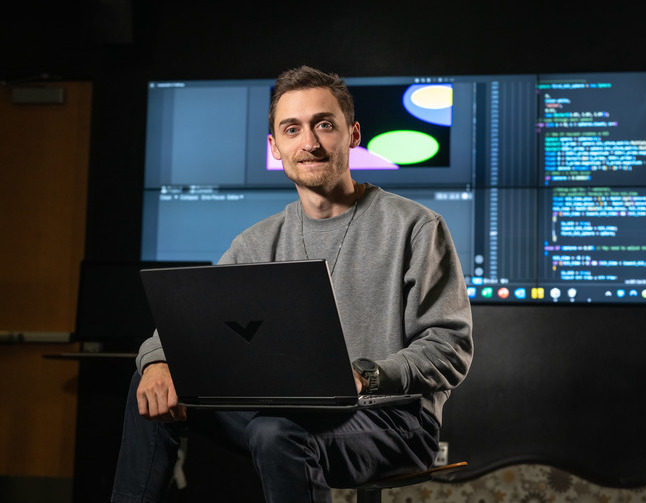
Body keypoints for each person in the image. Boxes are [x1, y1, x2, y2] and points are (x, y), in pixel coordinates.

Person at [111, 65, 474, 503]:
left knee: (274, 430)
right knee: (149, 384)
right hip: (287, 415)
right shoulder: (256, 241)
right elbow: (181, 330)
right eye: (292, 129)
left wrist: (365, 376)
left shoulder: (414, 227)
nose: (310, 143)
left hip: (394, 421)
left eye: (324, 125)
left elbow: (448, 347)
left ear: (353, 135)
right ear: (275, 147)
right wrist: (156, 363)